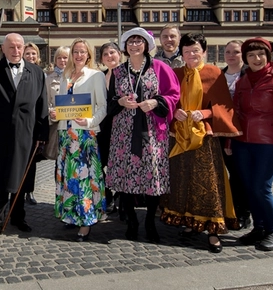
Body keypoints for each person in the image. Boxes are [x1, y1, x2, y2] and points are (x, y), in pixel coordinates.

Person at [161, 33, 241, 253]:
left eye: (195, 50)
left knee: (208, 182)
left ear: (203, 51)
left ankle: (212, 230)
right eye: (187, 52)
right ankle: (190, 222)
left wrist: (204, 112)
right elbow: (168, 100)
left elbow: (224, 105)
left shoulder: (213, 73)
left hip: (203, 137)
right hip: (179, 136)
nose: (191, 55)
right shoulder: (176, 73)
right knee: (182, 179)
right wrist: (174, 111)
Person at [0, 33, 49, 244]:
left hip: (26, 135)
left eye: (19, 47)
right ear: (3, 49)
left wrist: (42, 134)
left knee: (21, 179)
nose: (16, 51)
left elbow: (42, 105)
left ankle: (18, 217)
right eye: (11, 47)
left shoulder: (36, 72)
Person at [106, 28, 180, 243]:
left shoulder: (160, 67)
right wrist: (120, 102)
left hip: (151, 132)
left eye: (139, 41)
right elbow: (110, 100)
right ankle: (131, 220)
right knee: (126, 177)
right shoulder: (118, 71)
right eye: (130, 42)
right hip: (124, 132)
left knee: (152, 178)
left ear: (147, 45)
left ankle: (149, 221)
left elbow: (174, 94)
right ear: (125, 47)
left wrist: (156, 102)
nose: (134, 45)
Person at [232, 37, 273, 252]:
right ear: (246, 58)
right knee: (250, 188)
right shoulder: (242, 82)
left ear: (268, 56)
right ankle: (258, 228)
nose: (256, 59)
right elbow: (237, 113)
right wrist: (231, 141)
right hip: (243, 143)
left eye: (260, 54)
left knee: (262, 187)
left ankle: (271, 230)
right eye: (251, 55)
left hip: (269, 143)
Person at [49, 39, 107, 241]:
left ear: (89, 54)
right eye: (76, 51)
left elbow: (102, 106)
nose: (79, 55)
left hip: (84, 134)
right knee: (67, 177)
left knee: (84, 178)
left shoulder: (96, 75)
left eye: (83, 52)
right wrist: (56, 114)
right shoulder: (66, 76)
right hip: (66, 134)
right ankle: (71, 214)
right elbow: (64, 105)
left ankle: (86, 221)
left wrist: (90, 120)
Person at [220, 40, 251, 230]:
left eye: (236, 52)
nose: (232, 55)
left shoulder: (249, 75)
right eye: (228, 52)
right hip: (223, 131)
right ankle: (229, 210)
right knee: (229, 173)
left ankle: (243, 213)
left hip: (243, 132)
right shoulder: (220, 75)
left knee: (240, 174)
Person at [96, 42, 122, 214]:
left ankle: (122, 197)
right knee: (100, 163)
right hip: (103, 126)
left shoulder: (127, 74)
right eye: (105, 54)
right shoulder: (100, 76)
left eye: (112, 52)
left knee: (120, 163)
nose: (109, 56)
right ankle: (108, 195)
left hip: (121, 125)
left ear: (119, 54)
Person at [22, 42, 43, 206]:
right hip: (21, 123)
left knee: (31, 163)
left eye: (33, 54)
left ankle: (29, 191)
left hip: (34, 123)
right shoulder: (19, 72)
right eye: (27, 53)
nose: (30, 57)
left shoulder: (40, 73)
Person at [44, 46, 70, 161]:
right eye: (59, 58)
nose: (62, 60)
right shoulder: (49, 79)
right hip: (57, 124)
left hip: (75, 123)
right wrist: (52, 112)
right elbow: (45, 101)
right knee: (58, 159)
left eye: (65, 57)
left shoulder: (78, 76)